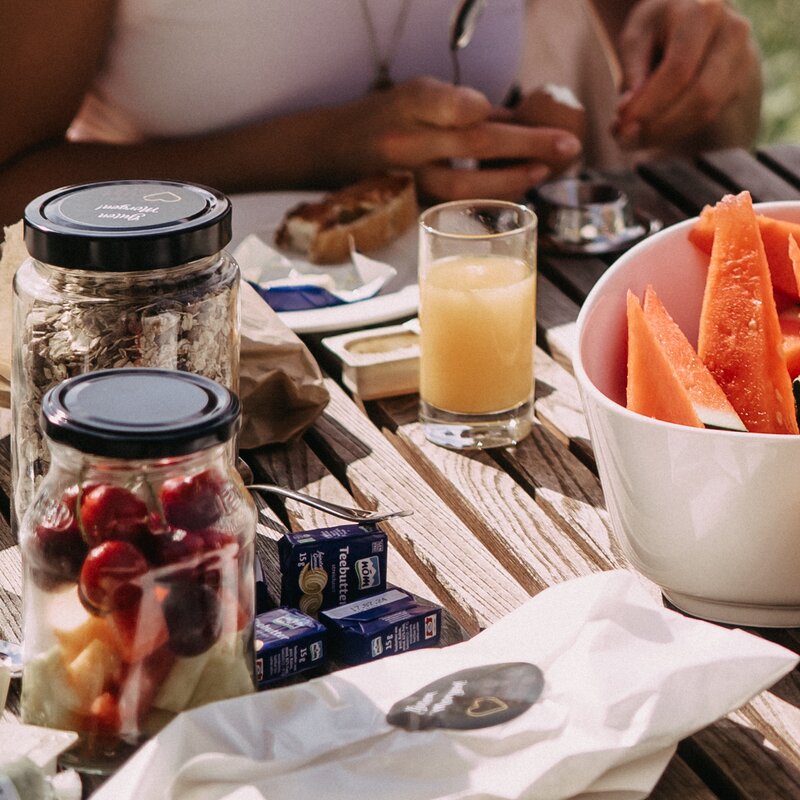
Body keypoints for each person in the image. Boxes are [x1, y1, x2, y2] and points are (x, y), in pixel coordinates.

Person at [0, 0, 762, 229]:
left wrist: (707, 62)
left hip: (509, 344)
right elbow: (13, 187)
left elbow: (699, 134)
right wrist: (323, 146)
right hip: (192, 366)